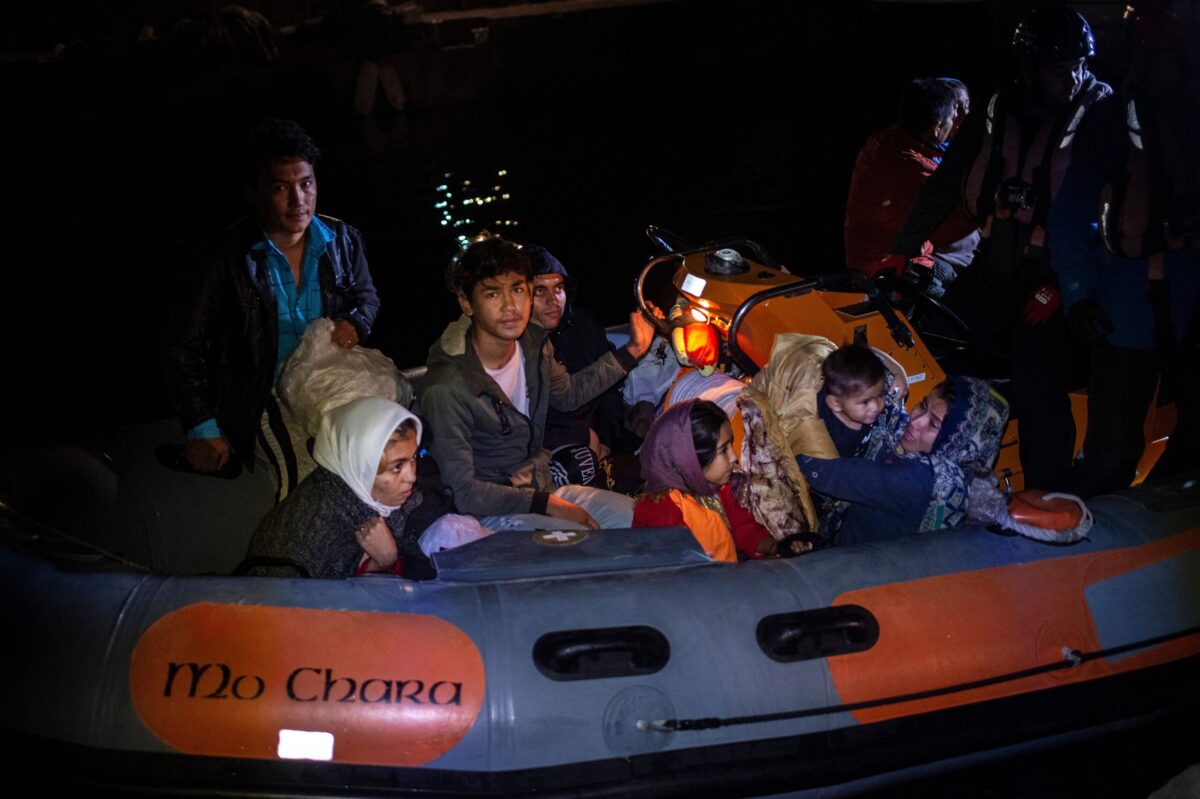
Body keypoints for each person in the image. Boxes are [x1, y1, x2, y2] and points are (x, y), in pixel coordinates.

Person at [891, 3, 1111, 492]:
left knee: (1038, 381)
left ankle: (1047, 495)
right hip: (995, 266)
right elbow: (945, 184)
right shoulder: (998, 109)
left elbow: (1114, 220)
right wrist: (902, 249)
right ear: (1029, 69)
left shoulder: (1103, 117)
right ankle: (931, 476)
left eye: (1078, 66)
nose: (1072, 79)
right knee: (933, 341)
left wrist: (1062, 288)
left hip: (1061, 282)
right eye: (1059, 69)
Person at [164, 118, 381, 501]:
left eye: (306, 183)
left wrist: (357, 323)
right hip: (263, 395)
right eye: (281, 187)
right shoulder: (222, 257)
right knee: (309, 483)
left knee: (386, 463)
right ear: (253, 192)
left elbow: (368, 299)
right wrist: (201, 425)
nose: (299, 200)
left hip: (329, 383)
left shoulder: (343, 239)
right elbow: (185, 345)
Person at [1049, 0, 1200, 497]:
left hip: (1185, 304)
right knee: (1110, 450)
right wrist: (1079, 295)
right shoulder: (1111, 122)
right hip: (1124, 308)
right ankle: (1089, 535)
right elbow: (1071, 213)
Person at [420, 236, 656, 531]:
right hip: (492, 512)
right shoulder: (448, 387)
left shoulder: (532, 344)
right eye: (492, 294)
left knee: (650, 520)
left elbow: (569, 394)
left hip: (543, 488)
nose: (510, 306)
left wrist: (632, 351)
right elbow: (464, 493)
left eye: (517, 289)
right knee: (583, 540)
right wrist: (545, 504)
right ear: (467, 303)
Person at [244, 397, 484, 579]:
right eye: (396, 467)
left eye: (413, 457)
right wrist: (386, 562)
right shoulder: (311, 535)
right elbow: (319, 619)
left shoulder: (372, 488)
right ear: (362, 467)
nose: (412, 475)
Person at [799, 377, 1010, 545]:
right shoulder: (908, 442)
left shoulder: (924, 482)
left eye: (933, 425)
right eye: (922, 405)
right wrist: (897, 370)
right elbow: (869, 368)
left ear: (957, 444)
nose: (916, 422)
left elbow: (823, 473)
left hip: (852, 578)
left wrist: (792, 422)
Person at [844, 77, 978, 289]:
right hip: (888, 266)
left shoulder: (886, 139)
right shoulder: (914, 167)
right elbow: (945, 224)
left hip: (868, 259)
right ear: (936, 128)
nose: (960, 120)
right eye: (955, 115)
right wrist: (980, 209)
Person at [526, 245, 629, 487]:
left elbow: (610, 391)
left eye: (558, 288)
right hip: (551, 453)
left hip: (597, 441)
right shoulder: (518, 345)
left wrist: (605, 440)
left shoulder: (584, 326)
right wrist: (580, 437)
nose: (553, 301)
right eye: (540, 291)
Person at [633, 400, 778, 562]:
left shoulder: (719, 485)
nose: (734, 457)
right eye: (723, 450)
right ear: (690, 460)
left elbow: (742, 528)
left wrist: (773, 547)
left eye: (731, 444)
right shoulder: (660, 512)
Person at [818, 345, 888, 457]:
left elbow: (871, 350)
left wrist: (900, 372)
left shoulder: (843, 389)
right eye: (865, 402)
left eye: (880, 395)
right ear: (836, 404)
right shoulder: (839, 443)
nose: (876, 407)